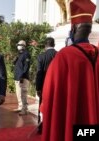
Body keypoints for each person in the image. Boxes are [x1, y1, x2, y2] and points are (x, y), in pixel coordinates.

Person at [41, 1, 99, 141]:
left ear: (73, 29)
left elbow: (49, 95)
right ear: (89, 30)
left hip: (72, 125)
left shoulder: (64, 56)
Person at [35, 37, 57, 134]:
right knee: (55, 107)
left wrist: (38, 88)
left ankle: (41, 128)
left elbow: (39, 73)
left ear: (45, 46)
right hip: (57, 86)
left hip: (44, 86)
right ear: (54, 45)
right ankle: (54, 127)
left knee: (42, 106)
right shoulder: (59, 54)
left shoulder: (41, 56)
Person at [13, 40, 31, 115]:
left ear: (24, 46)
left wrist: (22, 76)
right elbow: (16, 64)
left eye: (19, 44)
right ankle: (20, 107)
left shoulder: (26, 54)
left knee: (23, 93)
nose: (18, 46)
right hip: (17, 77)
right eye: (18, 44)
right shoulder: (19, 54)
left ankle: (25, 109)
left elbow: (26, 66)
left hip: (23, 77)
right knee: (18, 93)